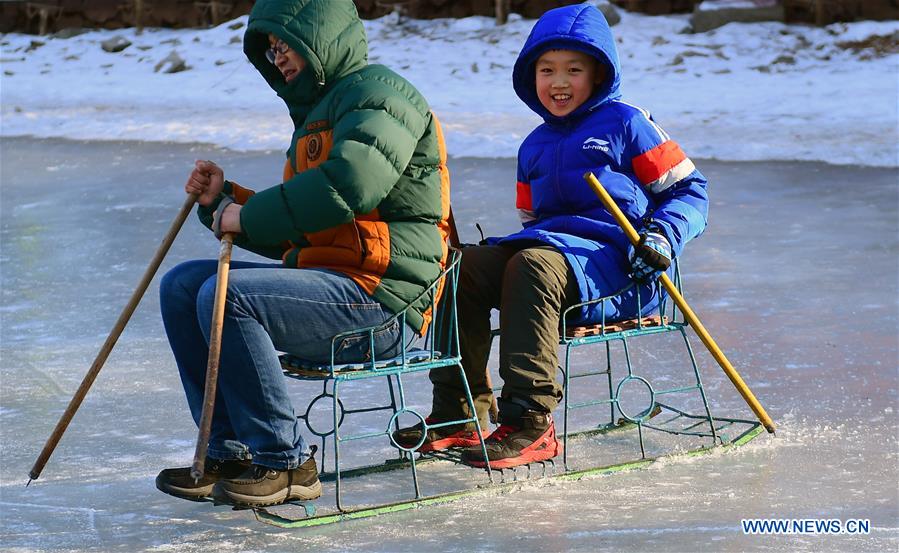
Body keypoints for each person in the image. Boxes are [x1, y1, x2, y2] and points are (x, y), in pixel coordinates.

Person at [154, 0, 452, 507]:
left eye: (284, 44)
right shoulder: (319, 115)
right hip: (335, 286)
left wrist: (245, 217)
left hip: (386, 300)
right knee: (183, 286)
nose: (277, 58)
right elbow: (304, 227)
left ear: (320, 34)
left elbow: (349, 184)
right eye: (269, 50)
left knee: (231, 298)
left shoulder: (381, 94)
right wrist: (226, 204)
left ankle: (285, 461)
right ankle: (232, 452)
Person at [394, 3, 709, 469]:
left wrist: (662, 238)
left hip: (624, 266)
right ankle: (460, 412)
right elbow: (530, 219)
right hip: (556, 259)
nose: (558, 82)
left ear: (598, 74)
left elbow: (690, 191)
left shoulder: (627, 124)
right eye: (547, 70)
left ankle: (529, 423)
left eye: (573, 70)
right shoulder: (534, 145)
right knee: (460, 266)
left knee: (533, 264)